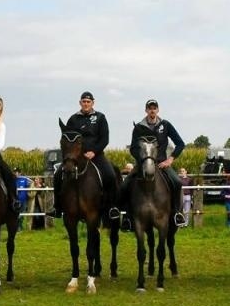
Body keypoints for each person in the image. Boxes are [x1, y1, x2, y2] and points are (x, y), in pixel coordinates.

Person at [49, 91, 119, 219]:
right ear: (80, 103)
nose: (86, 104)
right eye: (84, 102)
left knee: (110, 174)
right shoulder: (73, 119)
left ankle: (112, 207)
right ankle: (57, 207)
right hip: (77, 157)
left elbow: (105, 139)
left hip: (96, 155)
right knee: (58, 174)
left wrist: (94, 152)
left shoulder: (100, 118)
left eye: (88, 102)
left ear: (93, 103)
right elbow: (67, 139)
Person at [126, 99, 186, 224]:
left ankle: (176, 213)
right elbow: (133, 148)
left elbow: (180, 144)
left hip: (161, 164)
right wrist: (143, 160)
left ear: (158, 110)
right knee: (126, 184)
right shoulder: (138, 127)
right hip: (143, 164)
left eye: (154, 108)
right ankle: (127, 216)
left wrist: (170, 159)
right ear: (146, 110)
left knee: (177, 182)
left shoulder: (165, 125)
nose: (152, 110)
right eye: (150, 108)